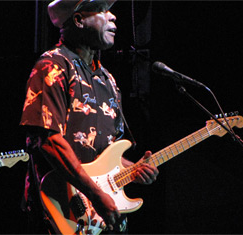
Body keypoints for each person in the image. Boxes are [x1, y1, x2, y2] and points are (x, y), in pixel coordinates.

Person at [19, 0, 159, 234]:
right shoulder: (52, 66)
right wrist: (95, 194)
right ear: (78, 20)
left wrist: (133, 170)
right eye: (103, 11)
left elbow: (104, 153)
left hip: (102, 220)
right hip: (60, 213)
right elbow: (49, 141)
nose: (113, 16)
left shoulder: (109, 81)